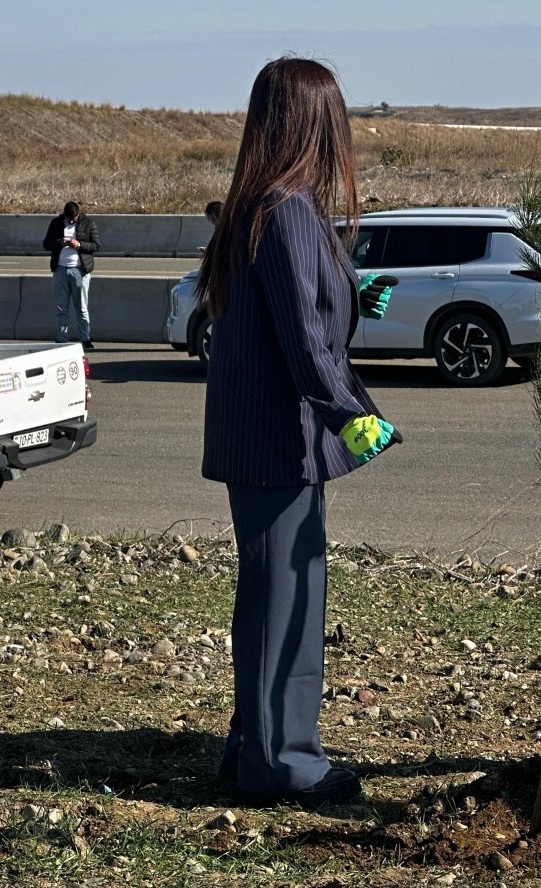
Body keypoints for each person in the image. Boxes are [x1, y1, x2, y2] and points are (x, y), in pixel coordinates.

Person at [197, 57, 398, 809]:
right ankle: (284, 764)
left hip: (268, 443)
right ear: (315, 121)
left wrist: (351, 294)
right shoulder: (283, 211)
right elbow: (303, 343)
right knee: (287, 600)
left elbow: (308, 310)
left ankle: (255, 745)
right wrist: (356, 412)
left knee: (272, 596)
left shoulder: (270, 205)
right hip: (280, 441)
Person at [42, 201, 100, 349]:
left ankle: (85, 338)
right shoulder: (56, 223)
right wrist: (59, 243)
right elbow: (46, 244)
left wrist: (79, 244)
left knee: (81, 307)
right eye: (69, 219)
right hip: (60, 269)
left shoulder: (88, 223)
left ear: (78, 214)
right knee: (62, 307)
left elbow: (96, 245)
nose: (71, 221)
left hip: (79, 269)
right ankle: (62, 338)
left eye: (73, 218)